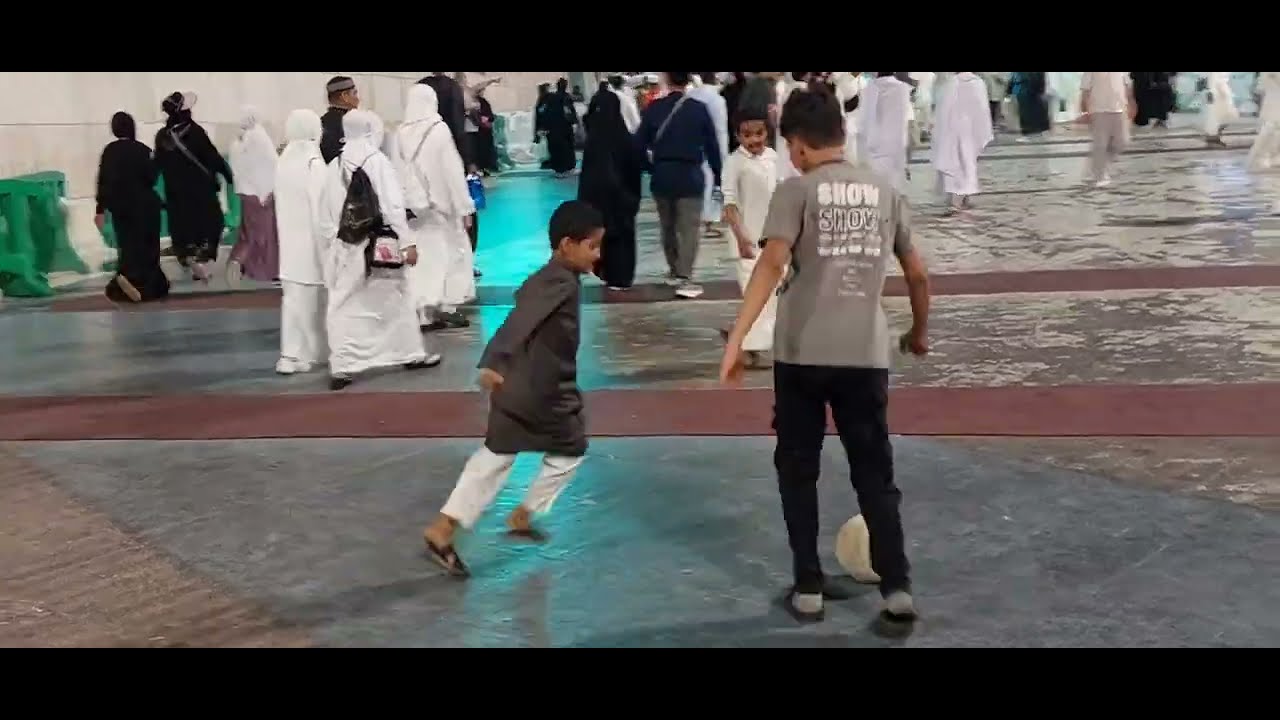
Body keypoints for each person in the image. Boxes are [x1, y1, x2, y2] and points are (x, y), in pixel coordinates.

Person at [718, 88, 930, 624]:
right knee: (873, 472)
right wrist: (919, 332)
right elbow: (918, 273)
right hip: (864, 353)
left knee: (797, 469)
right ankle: (898, 586)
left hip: (801, 355)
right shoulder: (884, 191)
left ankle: (808, 585)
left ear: (797, 145)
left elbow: (770, 264)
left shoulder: (796, 190)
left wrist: (736, 340)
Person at [420, 200, 604, 577]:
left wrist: (498, 365)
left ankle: (443, 528)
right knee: (572, 450)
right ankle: (526, 512)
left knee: (494, 457)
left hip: (514, 389)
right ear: (567, 245)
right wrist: (492, 358)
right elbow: (520, 321)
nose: (597, 255)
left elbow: (520, 311)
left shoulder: (542, 278)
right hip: (546, 394)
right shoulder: (560, 283)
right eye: (593, 246)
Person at [317, 110, 437, 391]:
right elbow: (393, 207)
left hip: (347, 247)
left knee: (342, 304)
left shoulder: (333, 165)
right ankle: (410, 354)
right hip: (379, 248)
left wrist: (335, 245)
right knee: (397, 299)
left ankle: (343, 365)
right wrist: (407, 242)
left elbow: (324, 214)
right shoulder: (377, 161)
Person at [395, 84, 477, 333]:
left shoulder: (399, 133)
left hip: (415, 209)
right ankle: (448, 306)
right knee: (451, 255)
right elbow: (452, 172)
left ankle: (422, 314)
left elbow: (396, 172)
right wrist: (465, 207)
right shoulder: (438, 130)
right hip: (442, 208)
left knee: (422, 261)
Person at [635, 71, 724, 299]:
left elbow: (637, 144)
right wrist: (718, 176)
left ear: (667, 79)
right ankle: (686, 277)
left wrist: (650, 167)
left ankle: (674, 270)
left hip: (663, 174)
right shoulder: (698, 109)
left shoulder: (654, 108)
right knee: (688, 229)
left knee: (667, 226)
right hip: (691, 174)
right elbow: (712, 147)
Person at [719, 108, 779, 368]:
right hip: (745, 243)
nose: (754, 140)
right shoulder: (734, 162)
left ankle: (739, 337)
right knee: (757, 297)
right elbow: (729, 204)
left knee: (773, 297)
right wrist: (742, 238)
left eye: (759, 133)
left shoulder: (774, 158)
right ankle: (745, 345)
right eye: (747, 135)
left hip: (773, 241)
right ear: (737, 136)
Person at [153, 91, 232, 282]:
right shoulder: (194, 131)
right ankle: (204, 254)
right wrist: (227, 174)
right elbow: (212, 156)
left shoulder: (163, 136)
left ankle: (186, 253)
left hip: (175, 193)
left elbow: (156, 164)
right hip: (200, 190)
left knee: (182, 224)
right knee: (212, 220)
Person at [274, 109, 329, 375]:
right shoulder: (313, 163)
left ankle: (289, 355)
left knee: (293, 302)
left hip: (289, 247)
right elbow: (323, 210)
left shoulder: (283, 161)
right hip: (312, 247)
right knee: (313, 305)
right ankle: (309, 355)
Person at [94, 111, 169, 303]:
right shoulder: (142, 150)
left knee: (128, 247)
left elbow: (103, 182)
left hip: (123, 208)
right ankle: (151, 287)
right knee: (150, 248)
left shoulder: (109, 151)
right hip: (147, 206)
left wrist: (100, 210)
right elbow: (151, 178)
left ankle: (128, 280)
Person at [578, 90, 642, 290]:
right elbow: (634, 171)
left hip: (598, 205)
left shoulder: (593, 141)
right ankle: (622, 277)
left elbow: (587, 177)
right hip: (623, 202)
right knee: (622, 240)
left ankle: (607, 273)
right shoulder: (625, 139)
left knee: (603, 238)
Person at [227, 106, 280, 285]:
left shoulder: (238, 141)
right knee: (264, 236)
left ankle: (240, 262)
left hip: (245, 193)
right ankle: (261, 270)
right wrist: (267, 192)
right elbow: (271, 165)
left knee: (248, 232)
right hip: (261, 193)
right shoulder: (260, 136)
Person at [931, 72, 994, 211]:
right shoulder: (977, 83)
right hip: (970, 131)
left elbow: (942, 110)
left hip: (951, 131)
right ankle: (963, 198)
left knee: (953, 164)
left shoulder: (951, 83)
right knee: (967, 163)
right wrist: (982, 131)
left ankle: (957, 199)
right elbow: (982, 110)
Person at [688, 72, 730, 239]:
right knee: (712, 184)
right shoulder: (718, 100)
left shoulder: (691, 95)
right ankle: (709, 222)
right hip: (713, 146)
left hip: (693, 146)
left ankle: (697, 220)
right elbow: (720, 129)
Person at [857, 73, 914, 193]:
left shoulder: (867, 90)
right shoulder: (902, 89)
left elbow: (862, 122)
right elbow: (907, 122)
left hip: (872, 146)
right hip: (895, 146)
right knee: (893, 188)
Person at [1080, 72, 1135, 188]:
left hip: (1119, 109)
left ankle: (1095, 167)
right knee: (1100, 144)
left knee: (1122, 142)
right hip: (1098, 110)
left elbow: (1127, 86)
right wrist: (1085, 111)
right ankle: (1100, 175)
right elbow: (1085, 90)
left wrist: (1131, 102)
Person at [418, 73, 471, 168]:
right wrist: (468, 159)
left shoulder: (422, 85)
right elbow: (457, 120)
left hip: (424, 137)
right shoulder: (452, 86)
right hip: (449, 136)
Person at [542, 78, 580, 177]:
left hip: (553, 128)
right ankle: (569, 168)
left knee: (557, 149)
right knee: (567, 148)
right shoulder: (566, 98)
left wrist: (545, 127)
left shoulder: (550, 98)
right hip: (565, 128)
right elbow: (569, 112)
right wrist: (574, 122)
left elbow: (545, 112)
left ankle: (559, 170)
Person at [1202, 72, 1239, 146]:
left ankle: (1213, 136)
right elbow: (1215, 80)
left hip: (1220, 92)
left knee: (1221, 116)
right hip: (1218, 93)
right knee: (1220, 116)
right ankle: (1213, 136)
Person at [1010, 72, 1050, 140]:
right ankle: (1036, 132)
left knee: (1027, 112)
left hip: (1027, 89)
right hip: (1026, 88)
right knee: (1032, 111)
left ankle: (1030, 134)